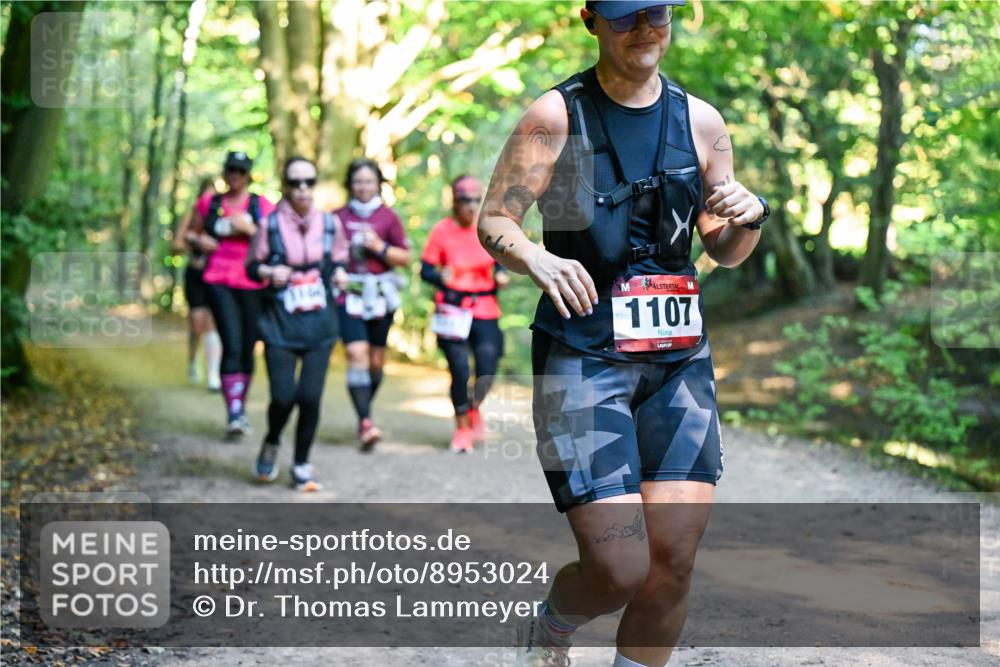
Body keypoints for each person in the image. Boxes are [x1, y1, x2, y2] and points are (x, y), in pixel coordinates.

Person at [478, 2, 769, 666]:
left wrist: (749, 216)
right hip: (582, 357)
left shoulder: (702, 123)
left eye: (655, 13)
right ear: (589, 19)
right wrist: (536, 256)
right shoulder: (555, 117)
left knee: (673, 561)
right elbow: (495, 221)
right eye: (623, 15)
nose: (643, 29)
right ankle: (553, 620)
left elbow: (724, 248)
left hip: (677, 364)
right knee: (618, 567)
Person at [247, 157, 348, 491]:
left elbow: (337, 262)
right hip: (280, 325)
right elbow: (252, 267)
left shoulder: (330, 224)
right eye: (295, 183)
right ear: (285, 186)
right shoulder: (270, 225)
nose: (303, 189)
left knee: (310, 398)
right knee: (283, 397)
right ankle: (273, 439)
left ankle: (302, 462)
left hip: (320, 325)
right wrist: (268, 272)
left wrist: (341, 275)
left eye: (309, 182)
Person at [189, 151, 276, 438]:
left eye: (241, 171)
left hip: (252, 282)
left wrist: (248, 228)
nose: (235, 176)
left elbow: (274, 242)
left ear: (248, 174)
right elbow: (188, 234)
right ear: (225, 173)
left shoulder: (262, 205)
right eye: (231, 170)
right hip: (218, 280)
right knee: (232, 342)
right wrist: (198, 240)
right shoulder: (209, 203)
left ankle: (239, 405)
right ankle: (234, 412)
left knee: (249, 346)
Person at [421, 175, 509, 453]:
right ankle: (462, 429)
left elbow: (503, 261)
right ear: (455, 202)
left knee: (487, 367)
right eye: (464, 200)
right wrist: (439, 276)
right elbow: (425, 270)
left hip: (484, 308)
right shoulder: (442, 231)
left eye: (475, 200)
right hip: (452, 309)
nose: (470, 206)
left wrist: (502, 274)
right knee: (459, 370)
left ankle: (473, 409)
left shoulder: (489, 229)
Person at [332, 158, 411, 451]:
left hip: (380, 296)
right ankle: (365, 421)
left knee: (376, 362)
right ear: (349, 185)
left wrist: (379, 247)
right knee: (356, 354)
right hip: (348, 295)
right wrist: (335, 271)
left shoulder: (388, 218)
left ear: (378, 183)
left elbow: (404, 258)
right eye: (357, 181)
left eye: (368, 181)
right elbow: (325, 254)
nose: (363, 187)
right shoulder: (337, 216)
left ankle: (364, 407)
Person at [171, 176, 222, 392]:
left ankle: (213, 375)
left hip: (216, 276)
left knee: (213, 322)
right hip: (195, 276)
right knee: (197, 322)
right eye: (207, 194)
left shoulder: (221, 217)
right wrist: (194, 241)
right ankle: (193, 360)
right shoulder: (192, 216)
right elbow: (176, 246)